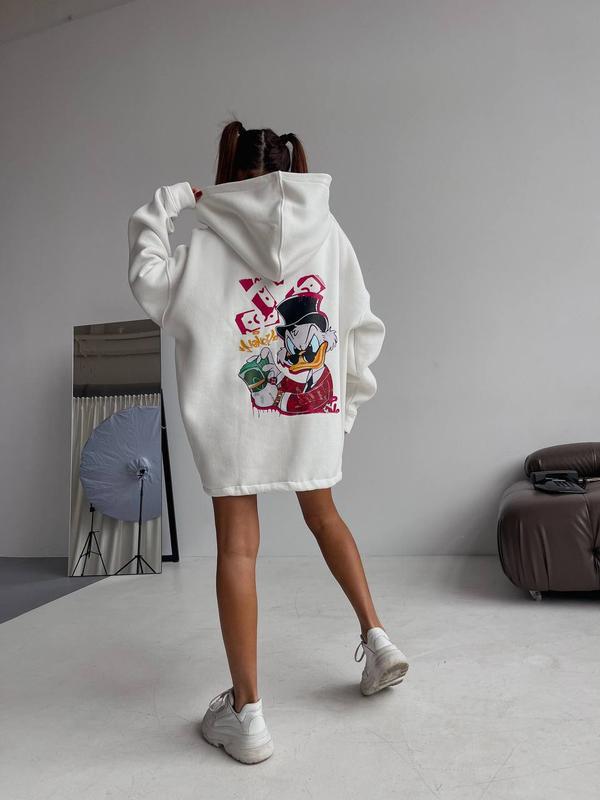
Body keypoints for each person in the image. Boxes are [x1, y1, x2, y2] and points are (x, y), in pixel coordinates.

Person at [127, 120, 409, 764]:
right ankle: (378, 638)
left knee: (238, 546)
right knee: (325, 515)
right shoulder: (327, 232)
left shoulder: (206, 240)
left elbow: (149, 283)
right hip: (310, 409)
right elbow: (362, 323)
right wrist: (345, 405)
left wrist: (170, 202)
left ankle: (248, 715)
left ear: (227, 174)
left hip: (234, 420)